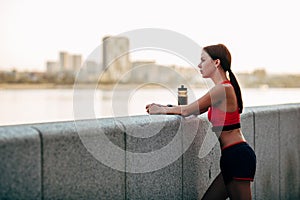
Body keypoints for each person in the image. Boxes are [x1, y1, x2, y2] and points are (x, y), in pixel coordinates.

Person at [146, 44, 256, 200]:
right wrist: (165, 107)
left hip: (238, 156)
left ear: (216, 62)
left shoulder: (222, 89)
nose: (199, 65)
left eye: (203, 60)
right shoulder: (223, 89)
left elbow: (187, 110)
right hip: (231, 157)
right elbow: (193, 110)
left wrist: (160, 110)